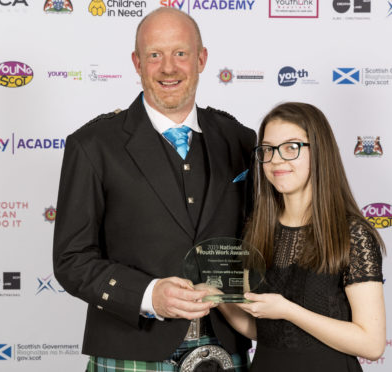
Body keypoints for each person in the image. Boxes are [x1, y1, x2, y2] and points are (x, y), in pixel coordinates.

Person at [53, 7, 255, 372]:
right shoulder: (93, 145)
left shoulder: (240, 139)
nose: (168, 68)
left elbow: (260, 239)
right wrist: (148, 295)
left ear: (201, 59)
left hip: (226, 347)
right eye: (154, 55)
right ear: (136, 62)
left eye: (180, 53)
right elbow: (71, 260)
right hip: (131, 349)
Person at [216, 102, 386, 371]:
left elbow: (371, 344)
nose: (276, 160)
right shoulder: (256, 228)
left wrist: (288, 310)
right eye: (268, 149)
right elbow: (259, 329)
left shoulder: (352, 234)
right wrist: (216, 299)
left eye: (291, 147)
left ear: (319, 151)